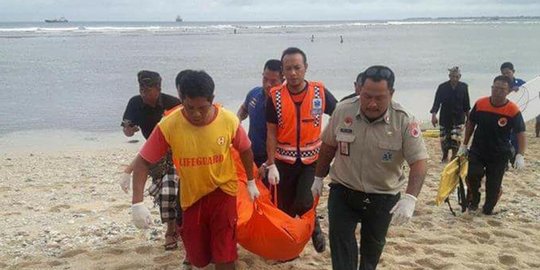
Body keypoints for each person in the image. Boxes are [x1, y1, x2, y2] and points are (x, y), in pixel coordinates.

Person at [130, 70, 260, 270]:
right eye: (190, 107)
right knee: (199, 258)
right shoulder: (169, 125)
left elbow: (245, 148)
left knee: (225, 254)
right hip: (192, 198)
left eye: (202, 107)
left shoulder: (228, 120)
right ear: (181, 99)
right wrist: (137, 203)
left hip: (223, 193)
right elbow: (143, 162)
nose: (196, 114)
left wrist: (251, 182)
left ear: (212, 99)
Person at [311, 66, 428, 270]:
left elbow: (419, 161)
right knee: (341, 251)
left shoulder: (404, 120)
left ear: (391, 94)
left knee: (371, 254)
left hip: (382, 197)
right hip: (343, 192)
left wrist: (410, 198)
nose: (372, 103)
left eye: (379, 98)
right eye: (366, 96)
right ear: (359, 90)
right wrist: (318, 178)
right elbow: (328, 146)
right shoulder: (343, 110)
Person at [266, 47, 338, 253]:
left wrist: (326, 136)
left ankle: (314, 225)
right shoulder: (275, 96)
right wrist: (271, 164)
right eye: (288, 69)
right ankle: (288, 247)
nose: (293, 73)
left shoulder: (319, 92)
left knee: (305, 200)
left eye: (297, 67)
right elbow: (271, 132)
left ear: (306, 68)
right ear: (282, 71)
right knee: (284, 209)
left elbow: (339, 114)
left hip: (312, 161)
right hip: (283, 162)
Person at [120, 70, 181, 250]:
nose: (143, 94)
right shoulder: (135, 103)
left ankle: (175, 229)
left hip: (176, 150)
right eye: (141, 89)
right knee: (165, 192)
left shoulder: (173, 104)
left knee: (175, 191)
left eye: (148, 90)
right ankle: (171, 229)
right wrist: (129, 130)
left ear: (158, 88)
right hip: (153, 153)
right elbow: (127, 128)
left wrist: (129, 169)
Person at [458, 75, 527, 215]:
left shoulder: (512, 110)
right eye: (495, 88)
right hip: (478, 149)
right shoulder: (481, 104)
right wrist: (464, 145)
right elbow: (471, 123)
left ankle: (490, 203)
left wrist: (520, 155)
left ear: (508, 91)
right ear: (491, 88)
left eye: (502, 89)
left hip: (499, 153)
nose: (498, 91)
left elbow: (521, 133)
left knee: (492, 188)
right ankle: (474, 200)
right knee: (472, 174)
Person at [237, 59, 283, 169]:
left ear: (283, 79)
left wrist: (269, 162)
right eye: (265, 79)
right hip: (250, 152)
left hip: (272, 158)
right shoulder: (254, 93)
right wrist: (237, 121)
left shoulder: (284, 102)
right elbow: (244, 109)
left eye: (273, 81)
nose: (268, 84)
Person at [430, 66, 471, 162]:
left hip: (459, 117)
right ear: (449, 76)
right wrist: (434, 115)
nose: (454, 78)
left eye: (457, 76)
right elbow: (437, 102)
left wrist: (469, 118)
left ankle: (454, 156)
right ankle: (444, 156)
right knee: (444, 139)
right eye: (452, 76)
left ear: (460, 76)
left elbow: (466, 104)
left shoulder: (464, 87)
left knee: (456, 138)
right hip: (445, 117)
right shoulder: (442, 87)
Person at [500, 62, 526, 165]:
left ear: (513, 72)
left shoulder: (521, 83)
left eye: (508, 73)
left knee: (517, 136)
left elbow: (528, 95)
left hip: (519, 115)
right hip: (504, 114)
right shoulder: (501, 84)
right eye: (503, 73)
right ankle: (504, 160)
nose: (506, 75)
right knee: (504, 136)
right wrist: (510, 90)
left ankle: (516, 157)